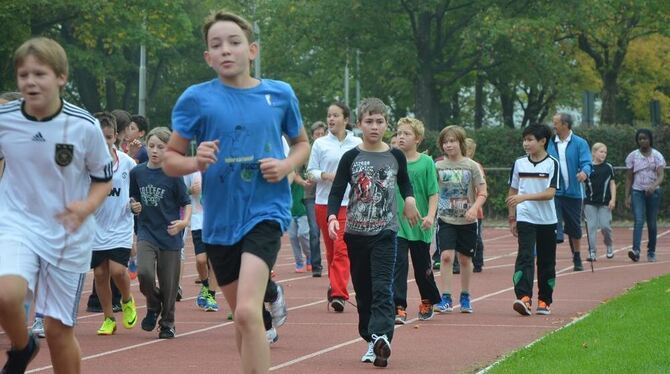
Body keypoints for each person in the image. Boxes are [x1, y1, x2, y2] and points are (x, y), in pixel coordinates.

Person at [163, 10, 310, 373]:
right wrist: (195, 161)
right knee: (244, 319)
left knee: (246, 310)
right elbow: (170, 159)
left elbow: (302, 143)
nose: (226, 50)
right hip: (220, 222)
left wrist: (287, 165)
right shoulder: (196, 99)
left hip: (265, 211)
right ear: (208, 57)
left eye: (234, 42)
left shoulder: (279, 94)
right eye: (217, 45)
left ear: (252, 49)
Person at [0, 37, 113, 373]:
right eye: (23, 75)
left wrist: (86, 207)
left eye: (40, 74)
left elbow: (103, 178)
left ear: (61, 77)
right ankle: (23, 347)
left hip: (67, 234)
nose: (30, 82)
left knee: (58, 331)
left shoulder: (84, 126)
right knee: (6, 295)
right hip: (17, 223)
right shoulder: (4, 119)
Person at [327, 98, 420, 368]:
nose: (374, 126)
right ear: (359, 124)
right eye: (369, 121)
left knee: (382, 288)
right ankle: (371, 339)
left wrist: (411, 199)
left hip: (386, 233)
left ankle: (383, 338)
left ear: (387, 125)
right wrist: (333, 216)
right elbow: (336, 191)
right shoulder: (351, 157)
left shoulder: (396, 156)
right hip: (355, 233)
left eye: (380, 122)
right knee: (364, 292)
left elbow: (405, 183)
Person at [130, 127, 192, 339]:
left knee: (169, 286)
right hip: (147, 231)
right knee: (144, 273)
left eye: (160, 147)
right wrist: (134, 206)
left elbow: (187, 202)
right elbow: (133, 198)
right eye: (151, 146)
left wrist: (183, 222)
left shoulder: (173, 174)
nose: (155, 151)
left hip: (170, 234)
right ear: (146, 146)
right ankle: (153, 304)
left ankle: (167, 323)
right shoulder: (137, 172)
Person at [307, 102, 361, 311]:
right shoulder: (320, 144)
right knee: (331, 251)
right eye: (329, 115)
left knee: (341, 248)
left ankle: (339, 293)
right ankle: (335, 284)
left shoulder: (356, 142)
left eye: (336, 115)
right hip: (324, 203)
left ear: (345, 119)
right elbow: (310, 171)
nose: (331, 119)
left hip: (350, 203)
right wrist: (326, 175)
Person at [90, 112, 138, 335]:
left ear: (116, 136)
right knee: (100, 274)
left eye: (109, 137)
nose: (105, 141)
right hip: (96, 225)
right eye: (100, 137)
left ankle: (127, 300)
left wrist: (136, 205)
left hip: (120, 223)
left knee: (118, 272)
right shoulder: (86, 163)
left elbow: (136, 191)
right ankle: (108, 318)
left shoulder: (128, 162)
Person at [392, 117, 441, 324]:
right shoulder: (392, 160)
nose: (401, 137)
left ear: (418, 139)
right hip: (397, 225)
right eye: (399, 133)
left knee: (422, 267)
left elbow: (433, 193)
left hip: (421, 224)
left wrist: (430, 216)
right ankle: (399, 307)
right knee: (398, 266)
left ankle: (427, 300)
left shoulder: (426, 162)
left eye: (407, 134)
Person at [433, 125, 487, 314]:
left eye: (452, 141)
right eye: (445, 142)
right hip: (446, 219)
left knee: (465, 259)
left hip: (468, 222)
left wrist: (474, 208)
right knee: (446, 257)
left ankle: (465, 295)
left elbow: (482, 192)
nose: (448, 145)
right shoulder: (437, 166)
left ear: (461, 143)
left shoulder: (471, 166)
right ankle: (446, 297)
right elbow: (432, 192)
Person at [506, 124, 559, 316]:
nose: (525, 144)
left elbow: (550, 193)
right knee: (525, 256)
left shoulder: (552, 163)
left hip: (547, 220)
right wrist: (512, 217)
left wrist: (524, 197)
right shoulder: (519, 163)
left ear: (543, 141)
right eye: (524, 140)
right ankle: (524, 298)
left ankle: (545, 300)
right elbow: (512, 191)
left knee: (546, 260)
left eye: (530, 140)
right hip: (525, 217)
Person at [547, 112, 592, 271]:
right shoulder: (550, 143)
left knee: (574, 227)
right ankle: (556, 240)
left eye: (556, 123)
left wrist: (584, 173)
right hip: (555, 191)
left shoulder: (580, 143)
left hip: (574, 192)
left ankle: (577, 256)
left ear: (565, 125)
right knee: (553, 222)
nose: (553, 126)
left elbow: (587, 162)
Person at [625, 129, 665, 263]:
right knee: (639, 220)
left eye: (645, 138)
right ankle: (635, 251)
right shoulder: (633, 156)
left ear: (650, 139)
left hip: (653, 193)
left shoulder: (657, 156)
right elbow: (629, 178)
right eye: (640, 139)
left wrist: (653, 186)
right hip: (637, 192)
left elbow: (661, 176)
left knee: (652, 223)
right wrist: (627, 196)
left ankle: (651, 251)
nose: (643, 141)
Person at [184, 171, 220, 311]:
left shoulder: (219, 168)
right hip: (198, 220)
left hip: (216, 220)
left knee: (214, 261)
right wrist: (190, 190)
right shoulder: (191, 171)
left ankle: (211, 295)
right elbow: (180, 192)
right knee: (201, 260)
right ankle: (205, 285)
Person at [296, 121, 327, 277]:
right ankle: (316, 266)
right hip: (311, 197)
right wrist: (303, 181)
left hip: (329, 196)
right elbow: (295, 171)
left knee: (332, 233)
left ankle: (336, 262)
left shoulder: (329, 150)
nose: (320, 136)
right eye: (317, 134)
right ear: (312, 136)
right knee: (314, 232)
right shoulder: (307, 153)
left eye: (322, 134)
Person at [584, 142, 616, 260]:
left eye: (605, 152)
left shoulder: (608, 167)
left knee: (605, 226)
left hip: (605, 203)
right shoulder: (587, 167)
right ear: (594, 153)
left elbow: (612, 184)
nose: (603, 154)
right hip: (590, 203)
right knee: (591, 227)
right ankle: (592, 252)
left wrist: (613, 199)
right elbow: (582, 183)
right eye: (601, 152)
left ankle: (609, 246)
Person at [465, 138, 486, 272]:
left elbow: (481, 189)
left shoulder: (476, 166)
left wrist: (476, 205)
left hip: (474, 209)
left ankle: (478, 261)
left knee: (476, 237)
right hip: (459, 209)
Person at [288, 178, 311, 272]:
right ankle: (299, 263)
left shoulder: (304, 174)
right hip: (290, 211)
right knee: (293, 237)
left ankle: (310, 255)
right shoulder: (287, 176)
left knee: (302, 234)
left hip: (303, 211)